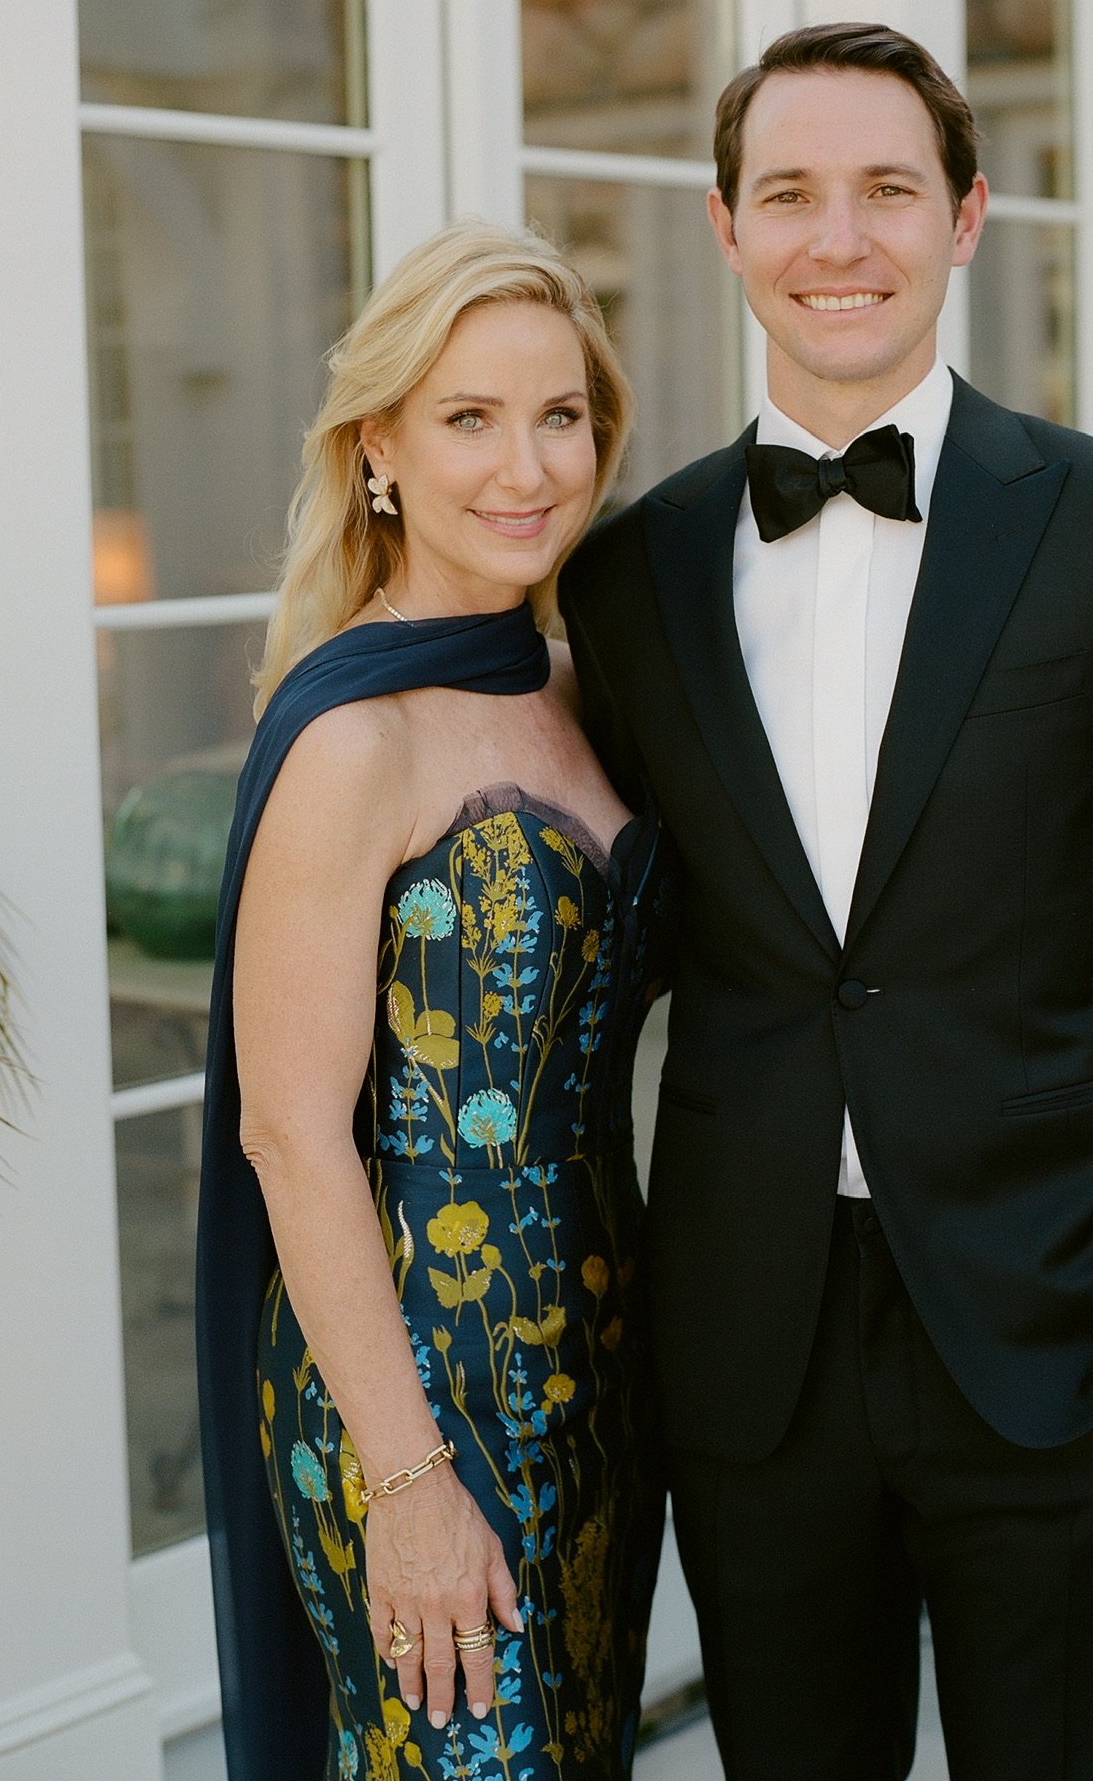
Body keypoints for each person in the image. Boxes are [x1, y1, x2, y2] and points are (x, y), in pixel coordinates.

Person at [558, 22, 1093, 1781]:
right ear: (724, 228)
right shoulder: (629, 569)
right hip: (752, 1346)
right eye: (791, 194)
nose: (840, 239)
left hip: (1065, 1325)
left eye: (886, 189)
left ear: (965, 218)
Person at [195, 221, 669, 1781]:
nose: (525, 465)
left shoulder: (579, 683)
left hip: (604, 1369)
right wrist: (405, 1487)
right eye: (469, 417)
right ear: (379, 447)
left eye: (560, 414)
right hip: (416, 1391)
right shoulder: (354, 735)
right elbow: (289, 1135)